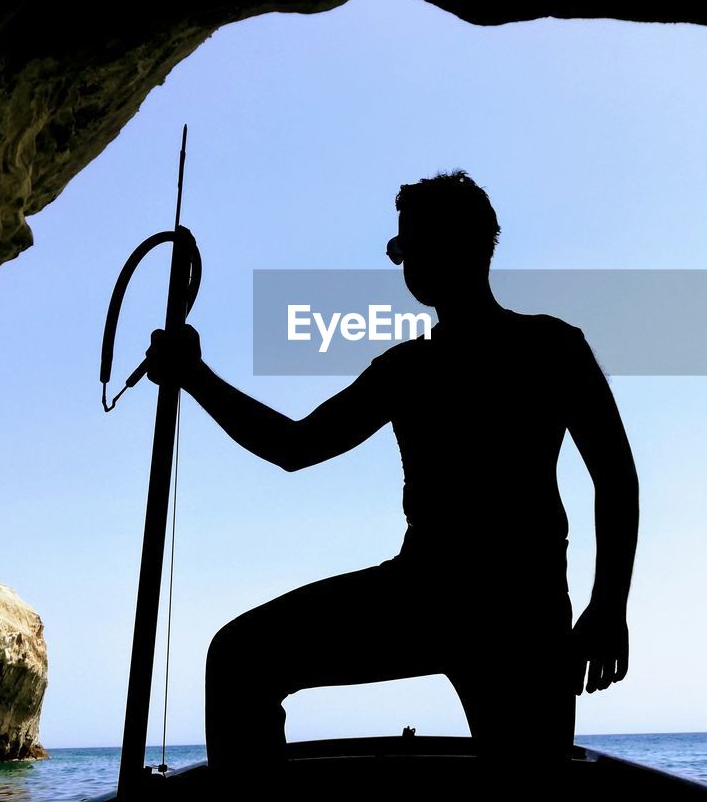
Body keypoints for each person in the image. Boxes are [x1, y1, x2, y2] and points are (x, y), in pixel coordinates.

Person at [145, 170, 639, 775]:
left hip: (483, 607)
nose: (401, 262)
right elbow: (295, 446)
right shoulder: (528, 349)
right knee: (239, 657)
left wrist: (609, 606)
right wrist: (606, 605)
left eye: (404, 247)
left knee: (239, 658)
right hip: (496, 605)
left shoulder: (475, 359)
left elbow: (615, 478)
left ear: (453, 247)